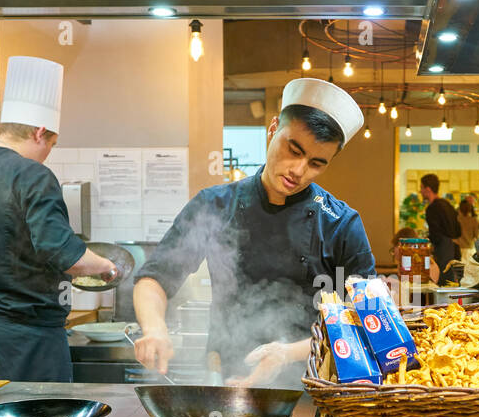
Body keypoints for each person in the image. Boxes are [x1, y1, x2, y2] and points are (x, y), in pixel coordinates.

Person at [131, 77, 374, 387]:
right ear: (273, 129)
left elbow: (366, 318)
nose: (298, 171)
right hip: (228, 381)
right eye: (293, 149)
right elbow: (154, 278)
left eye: (316, 163)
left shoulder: (341, 223)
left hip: (312, 387)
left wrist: (285, 354)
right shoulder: (215, 205)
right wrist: (154, 330)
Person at [0, 56, 121, 382]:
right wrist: (107, 266)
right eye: (52, 144)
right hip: (29, 342)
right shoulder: (33, 175)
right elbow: (64, 254)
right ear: (39, 132)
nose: (48, 153)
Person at [420, 174, 462, 282]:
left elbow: (435, 235)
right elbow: (458, 231)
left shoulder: (432, 208)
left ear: (428, 189)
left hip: (442, 251)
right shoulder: (448, 205)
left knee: (441, 281)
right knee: (451, 281)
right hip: (454, 250)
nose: (420, 191)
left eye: (421, 188)